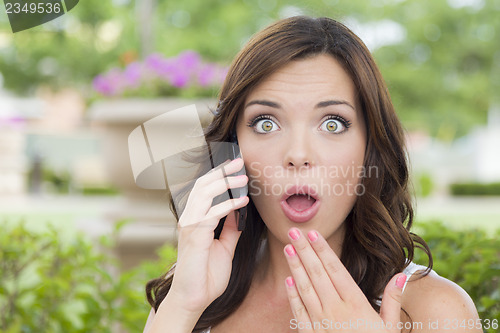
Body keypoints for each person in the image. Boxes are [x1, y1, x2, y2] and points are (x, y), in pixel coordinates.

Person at [143, 16, 481, 333]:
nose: (298, 155)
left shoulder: (435, 311)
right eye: (266, 123)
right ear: (233, 148)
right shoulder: (195, 290)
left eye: (332, 123)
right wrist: (182, 306)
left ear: (370, 148)